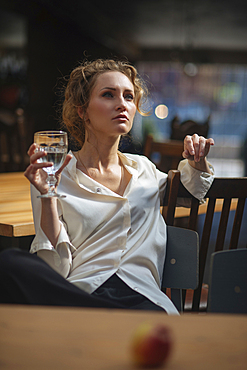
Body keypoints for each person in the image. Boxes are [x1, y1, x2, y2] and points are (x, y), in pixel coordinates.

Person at [0, 59, 214, 314]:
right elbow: (56, 268)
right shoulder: (53, 176)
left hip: (142, 297)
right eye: (108, 95)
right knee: (10, 263)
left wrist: (197, 159)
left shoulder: (144, 170)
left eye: (128, 96)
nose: (122, 104)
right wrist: (48, 195)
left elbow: (192, 190)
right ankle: (99, 317)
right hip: (82, 293)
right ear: (82, 110)